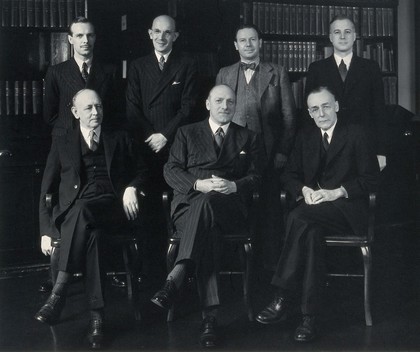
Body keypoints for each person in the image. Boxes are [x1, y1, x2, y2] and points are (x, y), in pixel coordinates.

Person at [255, 87, 380, 342]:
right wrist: (304, 190)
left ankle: (281, 295)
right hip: (314, 211)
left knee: (297, 217)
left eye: (325, 106)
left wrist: (337, 192)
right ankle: (309, 318)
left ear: (336, 106)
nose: (320, 113)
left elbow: (371, 180)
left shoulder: (356, 134)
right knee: (309, 233)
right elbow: (288, 175)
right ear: (310, 114)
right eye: (314, 109)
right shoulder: (305, 136)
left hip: (346, 211)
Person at [150, 85, 264, 348]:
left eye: (230, 102)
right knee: (207, 223)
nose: (225, 106)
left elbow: (258, 177)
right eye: (219, 101)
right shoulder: (186, 132)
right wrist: (198, 185)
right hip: (189, 205)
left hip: (229, 207)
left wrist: (235, 186)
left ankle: (176, 276)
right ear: (208, 104)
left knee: (210, 207)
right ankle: (209, 319)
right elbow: (171, 170)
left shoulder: (248, 136)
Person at [34, 89, 149, 349]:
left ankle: (58, 291)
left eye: (98, 106)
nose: (95, 112)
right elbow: (46, 190)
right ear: (75, 113)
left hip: (111, 210)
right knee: (92, 235)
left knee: (84, 211)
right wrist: (46, 230)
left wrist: (131, 187)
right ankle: (97, 318)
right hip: (77, 215)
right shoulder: (62, 142)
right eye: (88, 108)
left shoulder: (119, 137)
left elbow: (143, 172)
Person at [215, 23, 297, 269]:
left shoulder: (277, 72)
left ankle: (269, 268)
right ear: (235, 45)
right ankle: (238, 265)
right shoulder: (224, 73)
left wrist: (282, 151)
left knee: (269, 210)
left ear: (260, 43)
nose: (248, 45)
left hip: (270, 154)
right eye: (243, 40)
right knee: (236, 206)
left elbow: (290, 118)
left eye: (253, 40)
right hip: (232, 155)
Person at [126, 14, 198, 281]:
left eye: (168, 32)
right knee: (148, 207)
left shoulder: (187, 63)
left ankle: (180, 269)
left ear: (175, 36)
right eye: (157, 31)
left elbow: (189, 106)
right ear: (149, 33)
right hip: (145, 148)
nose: (161, 37)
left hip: (176, 146)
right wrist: (151, 137)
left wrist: (165, 136)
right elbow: (132, 108)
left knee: (178, 206)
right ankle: (148, 269)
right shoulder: (137, 65)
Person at [305, 15, 387, 171]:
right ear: (330, 37)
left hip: (363, 145)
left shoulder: (370, 67)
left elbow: (379, 112)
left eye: (347, 32)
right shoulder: (316, 68)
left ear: (355, 36)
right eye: (337, 32)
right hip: (327, 145)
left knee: (360, 191)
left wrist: (381, 151)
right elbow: (308, 112)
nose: (342, 36)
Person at [43, 17, 121, 137]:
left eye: (90, 35)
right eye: (79, 36)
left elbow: (116, 111)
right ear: (70, 39)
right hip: (68, 140)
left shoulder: (110, 71)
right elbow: (50, 116)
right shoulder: (55, 72)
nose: (85, 40)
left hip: (102, 139)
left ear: (95, 38)